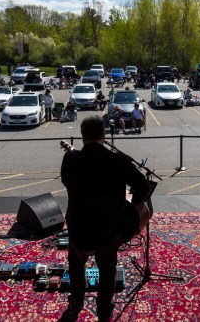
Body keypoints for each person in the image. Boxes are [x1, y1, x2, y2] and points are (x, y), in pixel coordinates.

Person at [60, 115, 151, 322]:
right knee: (107, 269)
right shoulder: (117, 160)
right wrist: (130, 207)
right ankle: (103, 309)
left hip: (78, 226)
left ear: (82, 137)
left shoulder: (70, 159)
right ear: (103, 134)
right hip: (108, 229)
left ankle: (77, 300)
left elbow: (67, 181)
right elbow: (144, 186)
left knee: (76, 264)